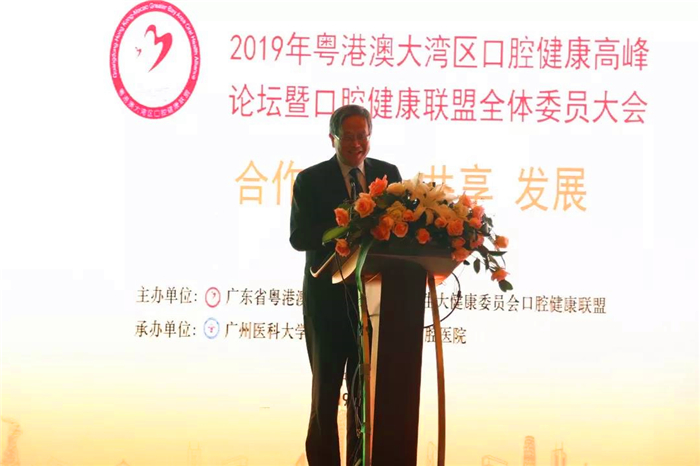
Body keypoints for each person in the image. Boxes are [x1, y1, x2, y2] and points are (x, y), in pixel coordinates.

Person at [289, 105, 401, 466]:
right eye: (348, 137)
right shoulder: (310, 180)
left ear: (370, 136)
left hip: (373, 303)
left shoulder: (388, 175)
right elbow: (299, 237)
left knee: (363, 395)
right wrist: (346, 227)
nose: (356, 143)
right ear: (332, 138)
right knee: (325, 395)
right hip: (326, 303)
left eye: (362, 136)